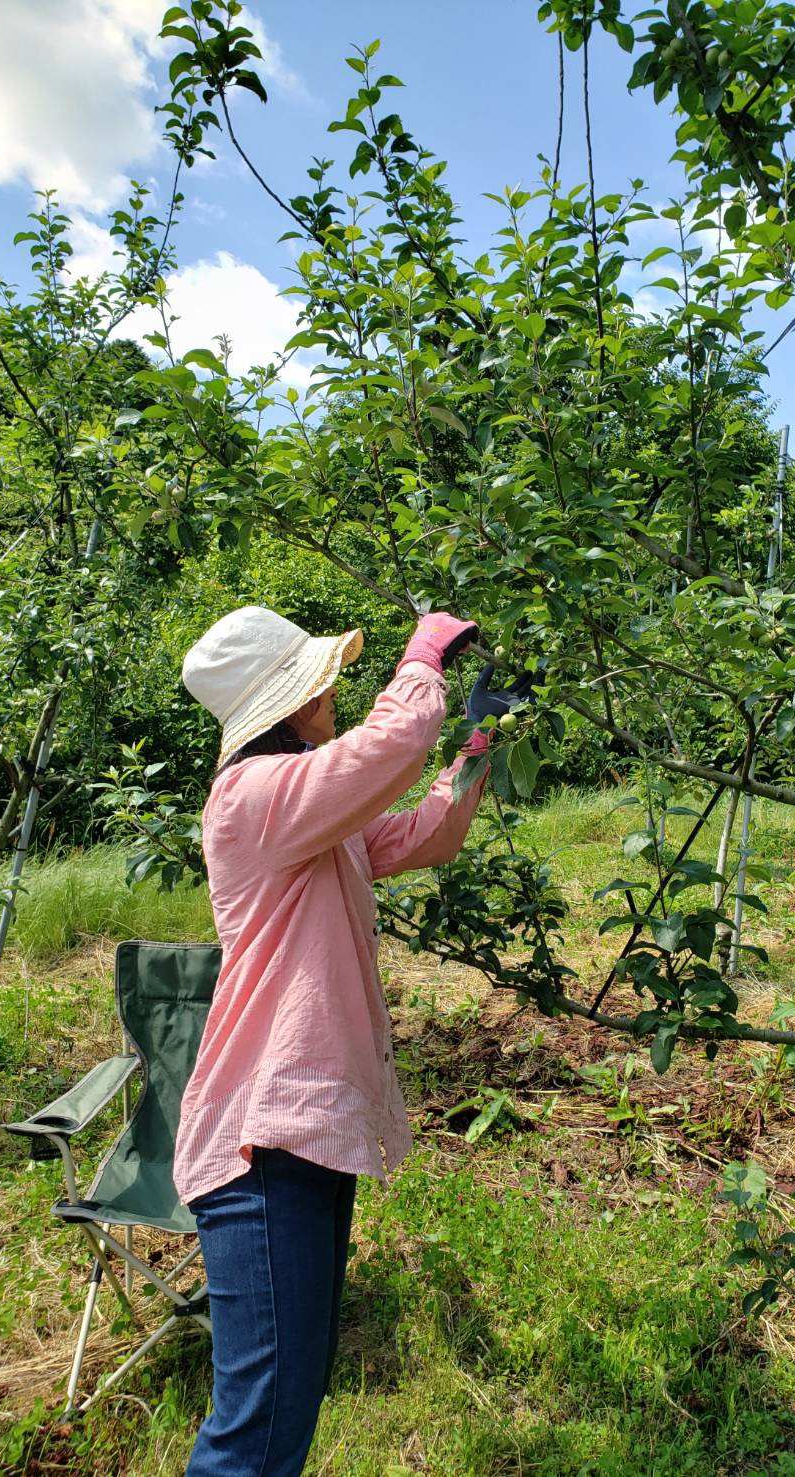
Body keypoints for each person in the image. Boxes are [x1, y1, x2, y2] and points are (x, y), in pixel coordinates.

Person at [173, 604, 530, 1477]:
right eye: (320, 681)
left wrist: (479, 743)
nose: (331, 692)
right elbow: (392, 746)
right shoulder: (251, 799)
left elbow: (427, 832)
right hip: (262, 1142)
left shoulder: (309, 815)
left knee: (288, 1408)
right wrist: (426, 656)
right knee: (257, 1431)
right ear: (289, 702)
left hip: (305, 1131)